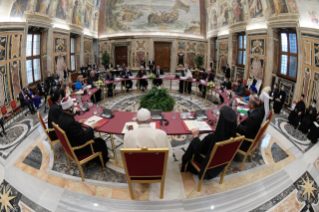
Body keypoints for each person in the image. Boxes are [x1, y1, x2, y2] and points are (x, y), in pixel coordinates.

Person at [181, 106, 237, 180]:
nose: (217, 118)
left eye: (219, 117)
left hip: (207, 164)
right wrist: (219, 128)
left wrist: (195, 136)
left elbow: (198, 148)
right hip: (219, 165)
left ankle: (185, 163)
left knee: (193, 143)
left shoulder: (211, 138)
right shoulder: (233, 137)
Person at [57, 97, 109, 163]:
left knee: (90, 134)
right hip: (79, 149)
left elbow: (69, 127)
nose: (74, 109)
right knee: (100, 142)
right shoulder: (70, 122)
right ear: (69, 109)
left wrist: (77, 122)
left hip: (71, 144)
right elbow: (84, 138)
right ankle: (103, 161)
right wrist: (91, 127)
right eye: (72, 107)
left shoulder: (61, 117)